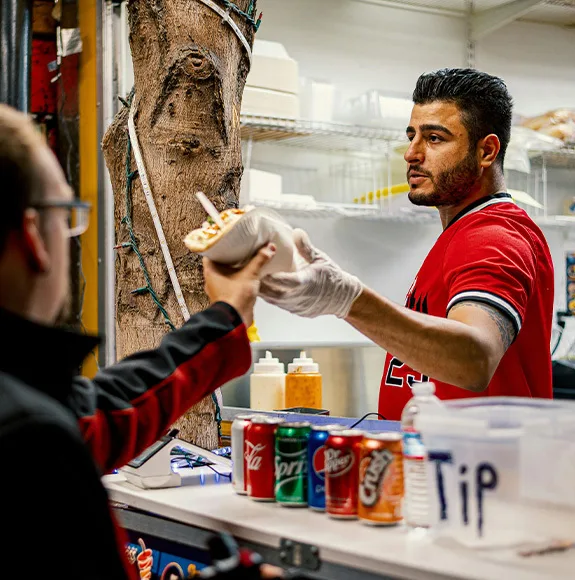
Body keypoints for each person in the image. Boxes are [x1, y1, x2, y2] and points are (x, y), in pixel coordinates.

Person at [0, 103, 282, 579]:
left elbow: (95, 412)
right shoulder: (32, 442)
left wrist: (224, 319)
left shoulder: (29, 401)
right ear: (33, 236)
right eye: (67, 215)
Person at [260, 68, 554, 421]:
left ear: (487, 151)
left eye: (434, 138)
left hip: (482, 472)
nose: (411, 154)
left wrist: (345, 299)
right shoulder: (461, 234)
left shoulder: (493, 236)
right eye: (412, 135)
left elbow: (474, 359)